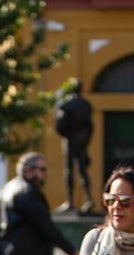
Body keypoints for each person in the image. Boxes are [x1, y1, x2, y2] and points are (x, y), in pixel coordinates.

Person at [54, 78, 95, 215]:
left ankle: (70, 202)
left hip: (70, 139)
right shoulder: (85, 104)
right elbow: (90, 126)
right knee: (83, 170)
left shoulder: (67, 104)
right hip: (82, 139)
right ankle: (89, 199)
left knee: (69, 170)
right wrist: (86, 140)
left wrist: (65, 134)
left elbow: (59, 124)